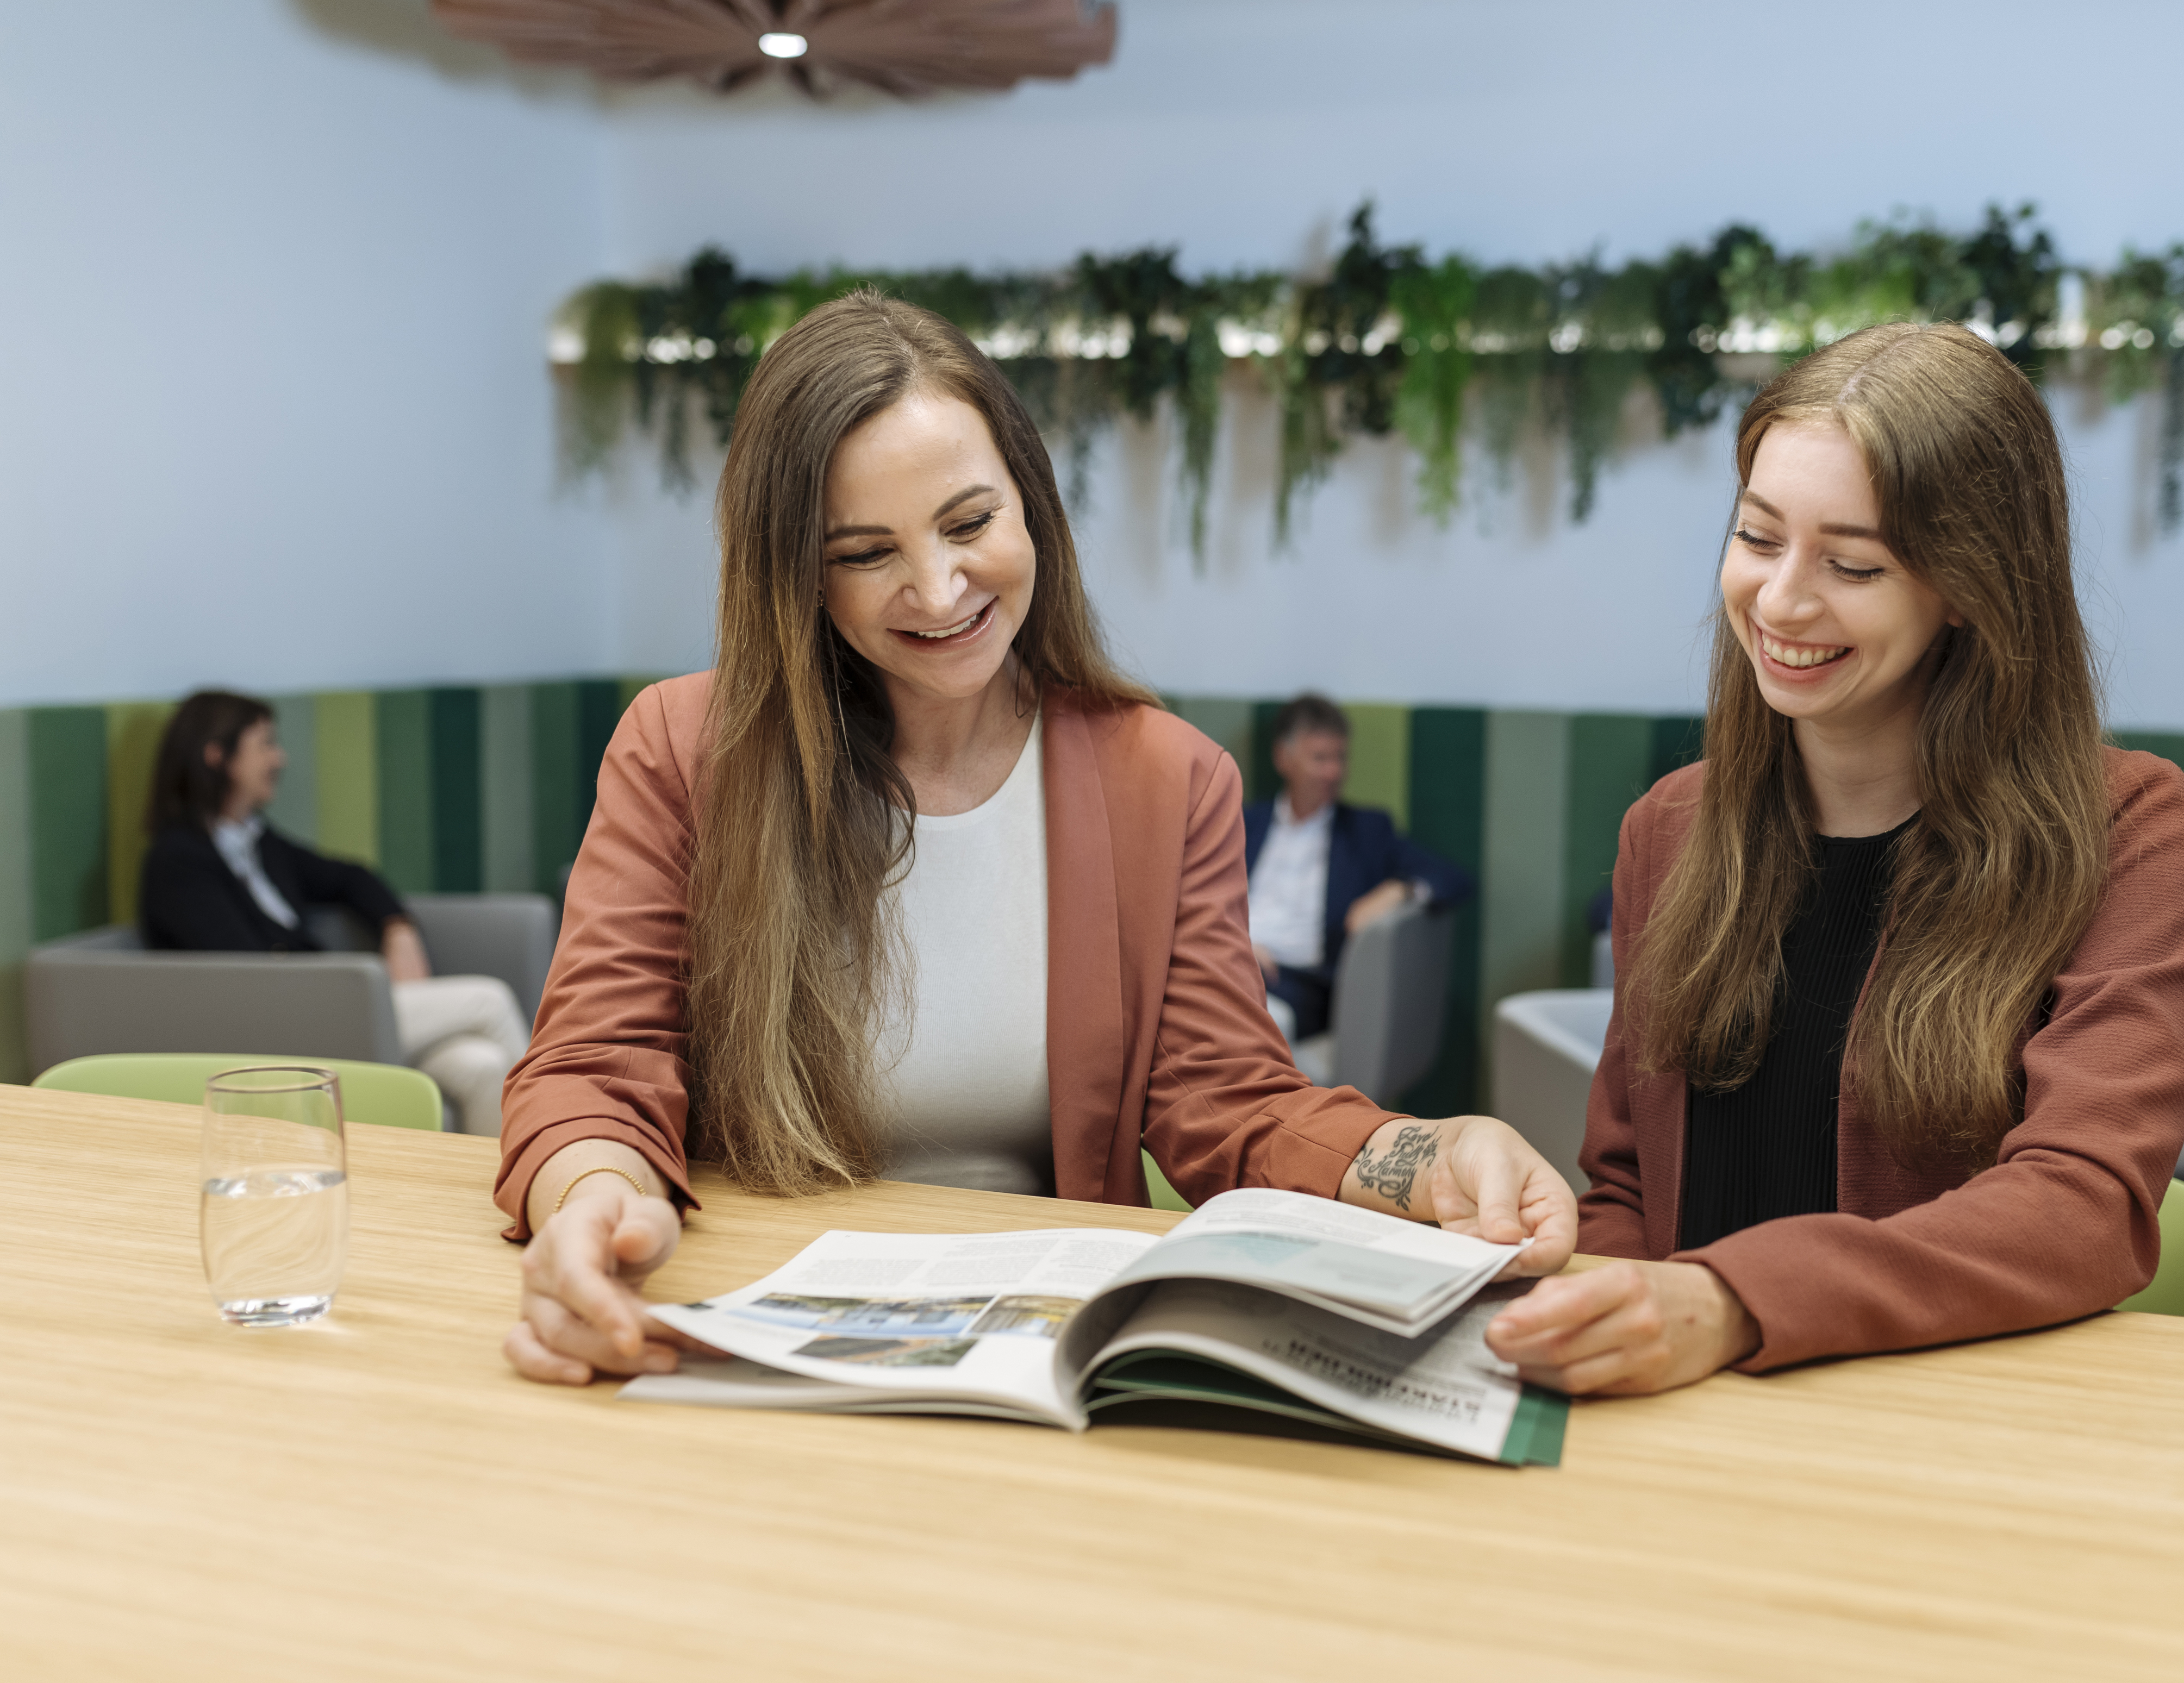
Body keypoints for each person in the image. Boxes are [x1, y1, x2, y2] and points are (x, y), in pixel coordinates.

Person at [500, 290, 1577, 1386]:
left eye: (969, 523)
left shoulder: (1165, 776)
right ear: (796, 576)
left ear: (1031, 505)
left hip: (1030, 1354)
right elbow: (593, 1065)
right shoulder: (685, 749)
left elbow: (1228, 1102)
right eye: (866, 552)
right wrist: (592, 1202)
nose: (938, 587)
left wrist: (1428, 1158)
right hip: (738, 1325)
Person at [1487, 322, 2184, 1393]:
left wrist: (1731, 1300)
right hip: (1685, 1421)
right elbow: (1630, 1190)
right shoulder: (1667, 831)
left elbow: (2083, 1203)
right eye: (1757, 537)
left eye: (1852, 563)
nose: (1779, 601)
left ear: (1969, 585)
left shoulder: (2119, 826)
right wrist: (1576, 1312)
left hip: (1929, 1429)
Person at [139, 691, 531, 1136]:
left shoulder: (257, 842)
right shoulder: (178, 861)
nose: (280, 758)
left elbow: (351, 877)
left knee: (481, 1064)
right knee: (489, 999)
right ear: (216, 756)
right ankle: (563, 1157)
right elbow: (250, 976)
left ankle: (515, 1198)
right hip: (286, 1026)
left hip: (322, 1010)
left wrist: (397, 927)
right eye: (266, 744)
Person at [1243, 695, 1474, 1041]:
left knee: (1246, 1019)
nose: (1334, 771)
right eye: (1320, 758)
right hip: (1234, 959)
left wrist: (1401, 889)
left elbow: (1455, 878)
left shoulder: (1367, 831)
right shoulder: (1244, 822)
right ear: (1283, 758)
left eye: (1340, 757)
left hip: (1300, 983)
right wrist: (1239, 944)